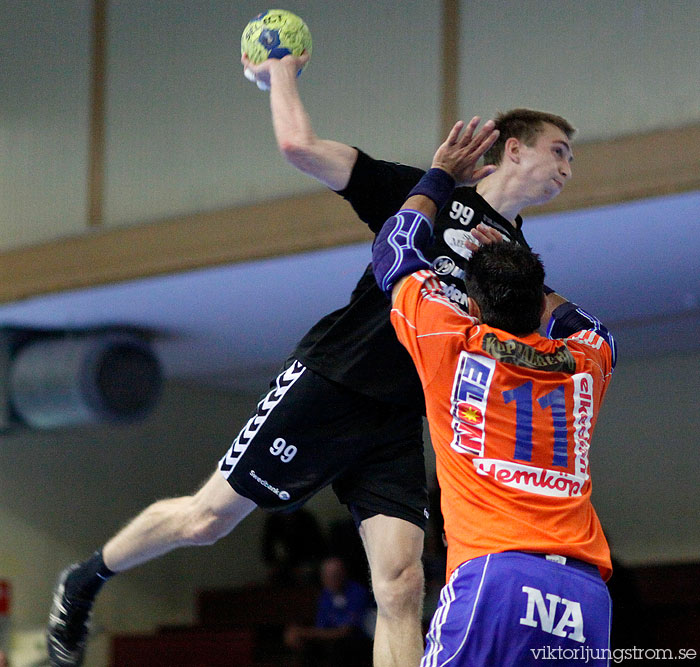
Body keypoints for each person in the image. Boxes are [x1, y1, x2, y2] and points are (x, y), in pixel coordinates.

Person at [47, 48, 573, 667]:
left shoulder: (511, 254)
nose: (568, 165)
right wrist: (280, 73)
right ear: (513, 149)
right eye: (559, 149)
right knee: (206, 521)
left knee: (402, 585)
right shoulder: (421, 190)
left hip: (397, 421)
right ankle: (83, 581)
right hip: (332, 381)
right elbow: (299, 146)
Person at [371, 122, 617, 665]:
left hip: (495, 574)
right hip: (584, 596)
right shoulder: (586, 361)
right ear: (538, 309)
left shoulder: (450, 342)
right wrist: (524, 269)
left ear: (474, 307)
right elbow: (595, 330)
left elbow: (394, 251)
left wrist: (439, 176)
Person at [284, 556, 372, 666]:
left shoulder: (358, 593)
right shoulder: (325, 595)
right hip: (331, 642)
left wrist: (303, 632)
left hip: (356, 644)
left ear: (344, 574)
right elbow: (322, 627)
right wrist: (299, 634)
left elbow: (345, 632)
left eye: (335, 575)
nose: (331, 580)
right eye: (327, 576)